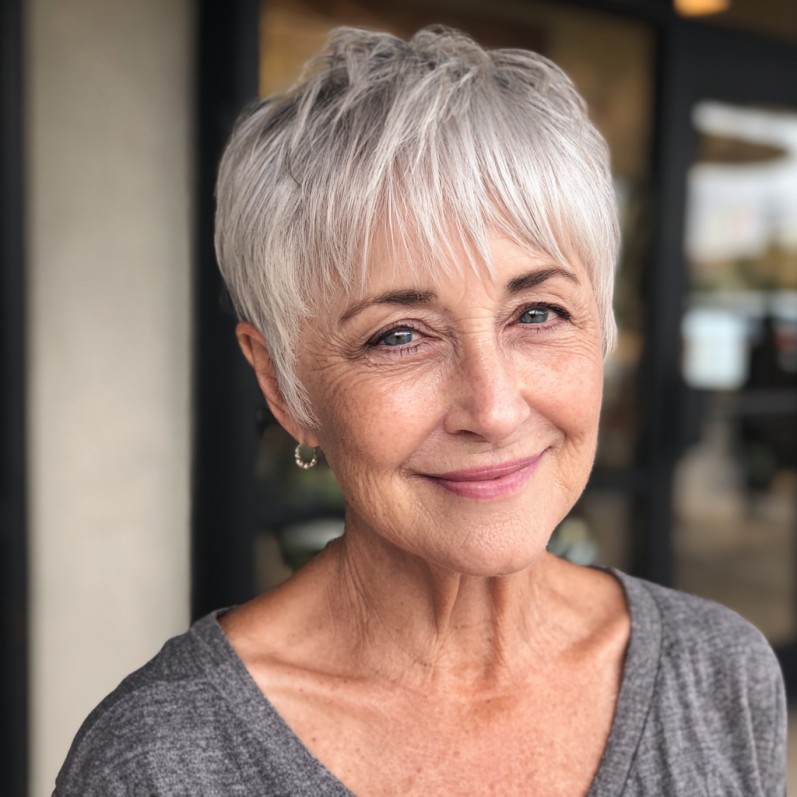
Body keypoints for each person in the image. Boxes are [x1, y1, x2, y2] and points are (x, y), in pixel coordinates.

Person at [55, 26, 786, 796]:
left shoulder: (719, 674)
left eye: (537, 313)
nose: (495, 409)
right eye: (398, 335)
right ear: (282, 386)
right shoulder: (161, 761)